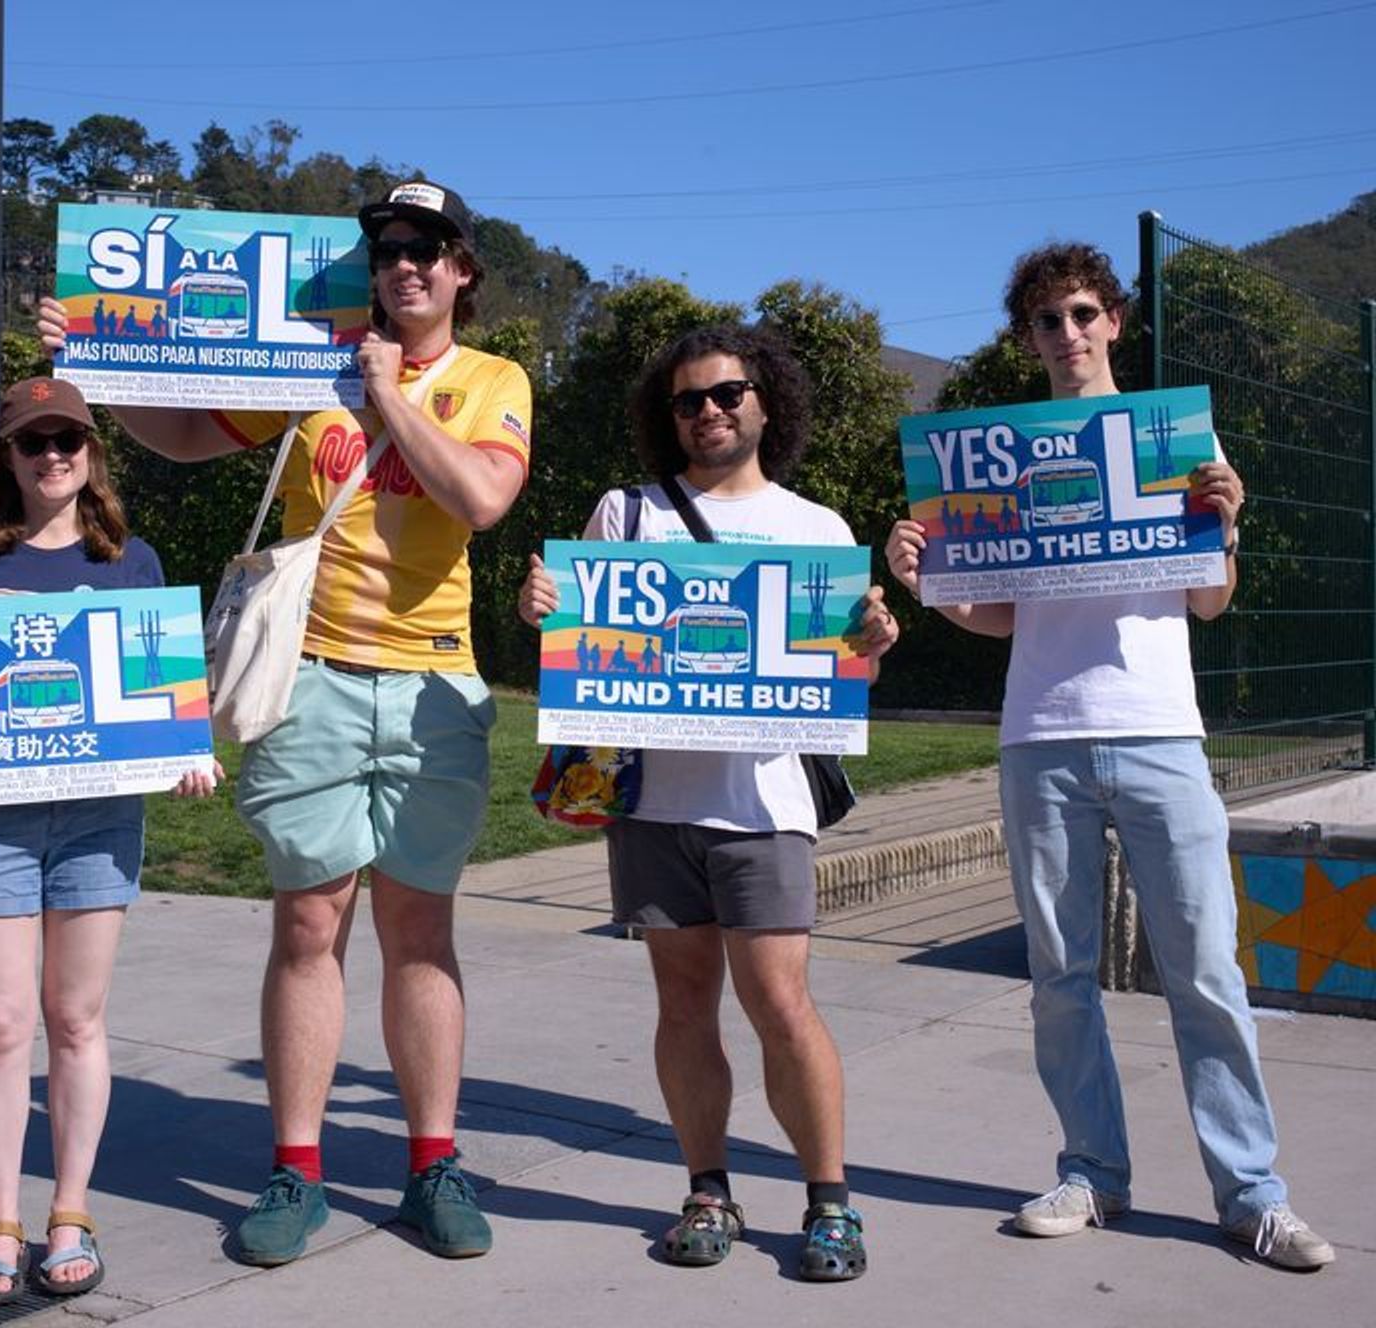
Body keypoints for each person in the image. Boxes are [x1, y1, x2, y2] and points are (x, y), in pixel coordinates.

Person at [37, 178, 530, 1264]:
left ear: (460, 271)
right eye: (387, 247)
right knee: (308, 926)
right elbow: (182, 435)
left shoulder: (493, 380)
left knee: (420, 929)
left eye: (425, 247)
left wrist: (388, 393)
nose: (403, 263)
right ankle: (294, 1170)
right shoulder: (307, 363)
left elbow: (479, 500)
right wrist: (96, 366)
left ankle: (431, 1163)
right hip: (303, 675)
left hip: (432, 685)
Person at [884, 241, 1333, 1271]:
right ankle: (1092, 1171)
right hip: (1036, 735)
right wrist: (926, 579)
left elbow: (1207, 601)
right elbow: (1000, 613)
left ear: (1114, 321)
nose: (1066, 333)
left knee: (1206, 970)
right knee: (1058, 975)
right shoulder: (995, 454)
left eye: (1082, 313)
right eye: (1046, 319)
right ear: (1025, 335)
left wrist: (1225, 521)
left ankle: (1249, 1192)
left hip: (1160, 729)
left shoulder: (1175, 437)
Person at [519, 324, 897, 1281]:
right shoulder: (628, 513)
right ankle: (708, 1188)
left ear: (766, 401)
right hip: (653, 803)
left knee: (780, 1001)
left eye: (728, 394)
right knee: (683, 1003)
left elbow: (839, 679)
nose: (710, 412)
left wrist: (871, 646)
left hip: (765, 803)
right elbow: (580, 653)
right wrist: (543, 612)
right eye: (689, 400)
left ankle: (831, 1203)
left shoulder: (817, 528)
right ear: (668, 415)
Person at [0, 375, 218, 1304]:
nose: (53, 457)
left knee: (75, 1021)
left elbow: (165, 697)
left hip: (100, 817)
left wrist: (185, 753)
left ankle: (70, 1210)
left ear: (92, 453)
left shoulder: (132, 561)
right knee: (2, 1025)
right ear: (8, 457)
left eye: (68, 439)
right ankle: (0, 1219)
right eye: (33, 443)